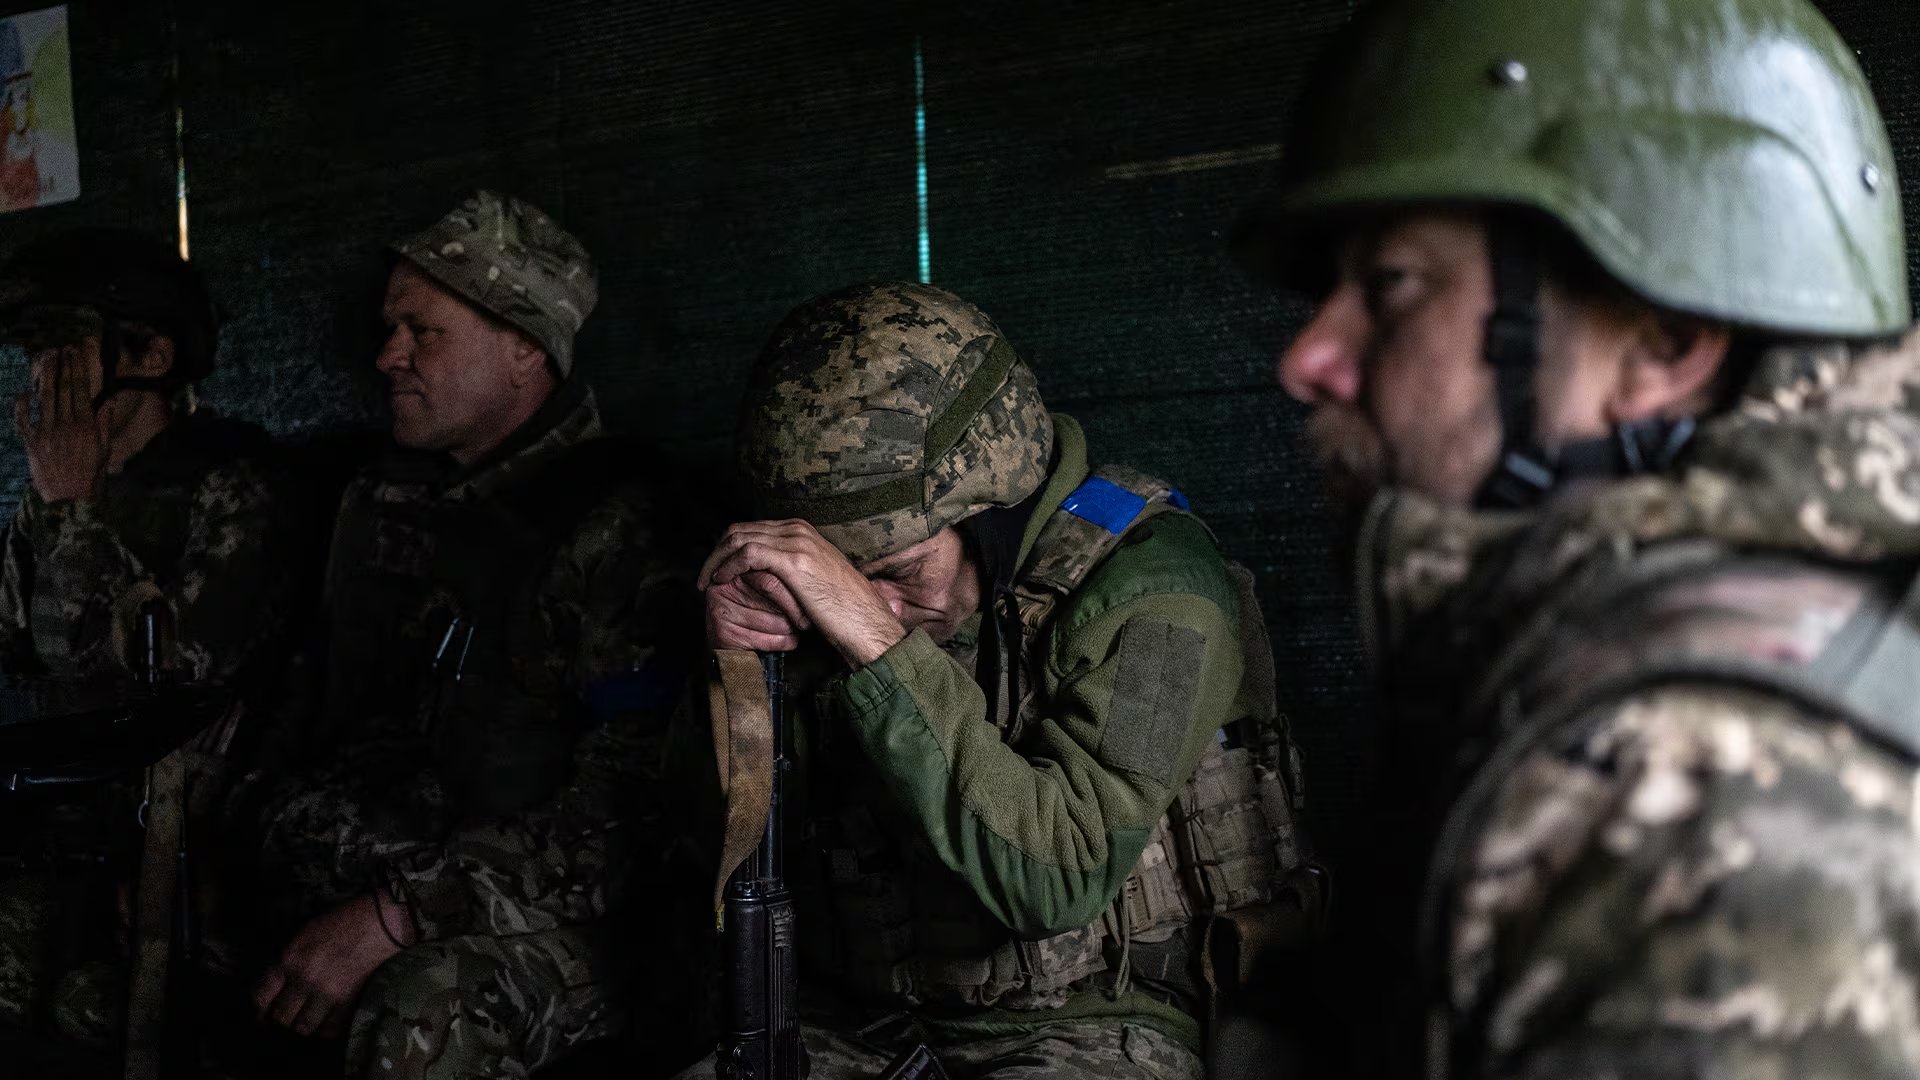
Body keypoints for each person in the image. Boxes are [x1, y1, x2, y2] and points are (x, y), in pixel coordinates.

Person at [1242, 0, 1920, 1075]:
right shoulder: (1641, 664)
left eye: (1391, 286)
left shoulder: (1695, 784)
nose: (1309, 358)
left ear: (1662, 344)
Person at [688, 281, 1314, 1078]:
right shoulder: (851, 602)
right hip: (864, 1021)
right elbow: (702, 835)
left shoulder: (1161, 593)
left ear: (990, 510)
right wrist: (736, 668)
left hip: (1097, 1024)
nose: (871, 602)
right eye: (843, 579)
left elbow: (1058, 878)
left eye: (899, 572)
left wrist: (875, 642)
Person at [232, 191, 698, 1079]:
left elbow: (635, 809)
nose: (386, 357)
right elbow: (314, 704)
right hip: (354, 876)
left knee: (423, 1010)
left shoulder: (617, 530)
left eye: (423, 332)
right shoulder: (388, 506)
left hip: (527, 913)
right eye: (387, 328)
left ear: (524, 347)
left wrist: (399, 914)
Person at [0, 227, 293, 1055]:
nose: (42, 378)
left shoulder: (232, 487)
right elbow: (19, 667)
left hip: (182, 856)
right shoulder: (47, 501)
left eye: (64, 349)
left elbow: (161, 689)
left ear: (151, 355)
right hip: (62, 836)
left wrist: (71, 506)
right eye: (34, 356)